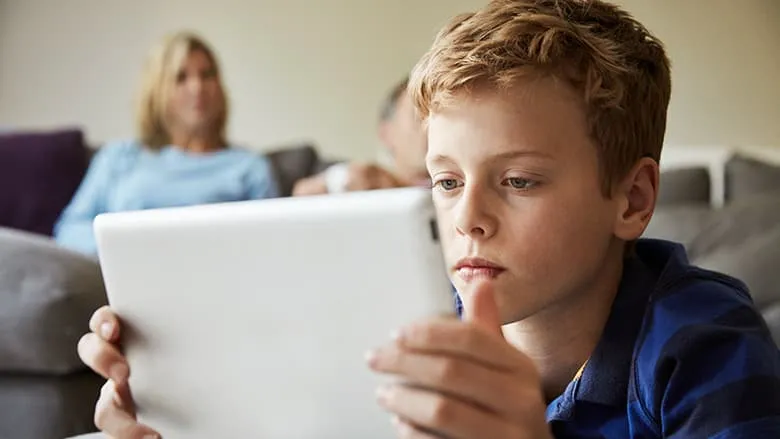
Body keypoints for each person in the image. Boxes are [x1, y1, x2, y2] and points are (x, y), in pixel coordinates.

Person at [77, 1, 780, 438]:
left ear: (630, 200)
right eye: (445, 180)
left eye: (518, 180)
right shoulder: (409, 327)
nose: (466, 216)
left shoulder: (701, 345)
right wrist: (180, 415)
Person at [54, 31, 278, 256]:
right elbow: (69, 230)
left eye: (207, 75)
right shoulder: (118, 157)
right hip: (122, 277)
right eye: (181, 77)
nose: (197, 88)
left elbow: (270, 244)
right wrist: (126, 249)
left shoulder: (249, 167)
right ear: (157, 90)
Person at [291, 77, 429, 196]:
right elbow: (304, 193)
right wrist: (336, 181)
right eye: (419, 116)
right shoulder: (363, 181)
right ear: (386, 134)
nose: (431, 128)